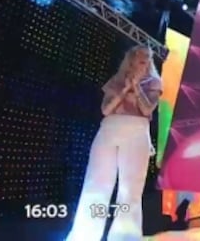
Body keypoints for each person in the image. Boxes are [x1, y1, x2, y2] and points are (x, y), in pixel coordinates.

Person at [66, 45, 163, 241]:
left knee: (130, 189)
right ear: (131, 59)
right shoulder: (116, 80)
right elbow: (105, 110)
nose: (144, 60)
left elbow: (147, 110)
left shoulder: (154, 82)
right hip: (109, 129)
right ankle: (84, 235)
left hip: (137, 131)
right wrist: (125, 88)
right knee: (96, 184)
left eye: (148, 57)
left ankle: (125, 237)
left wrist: (136, 87)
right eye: (140, 56)